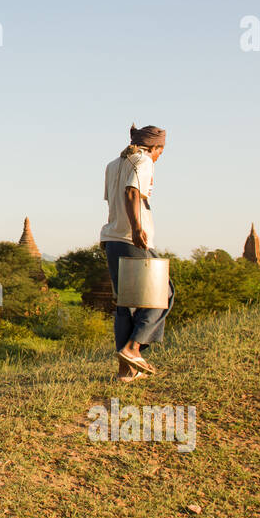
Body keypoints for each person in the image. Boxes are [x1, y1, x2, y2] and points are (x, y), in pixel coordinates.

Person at [100, 123, 174, 382]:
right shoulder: (142, 161)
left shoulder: (112, 165)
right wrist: (136, 229)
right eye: (160, 151)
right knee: (161, 293)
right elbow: (131, 192)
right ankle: (133, 349)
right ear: (154, 147)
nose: (159, 156)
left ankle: (126, 371)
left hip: (111, 239)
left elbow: (113, 201)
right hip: (132, 239)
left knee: (126, 303)